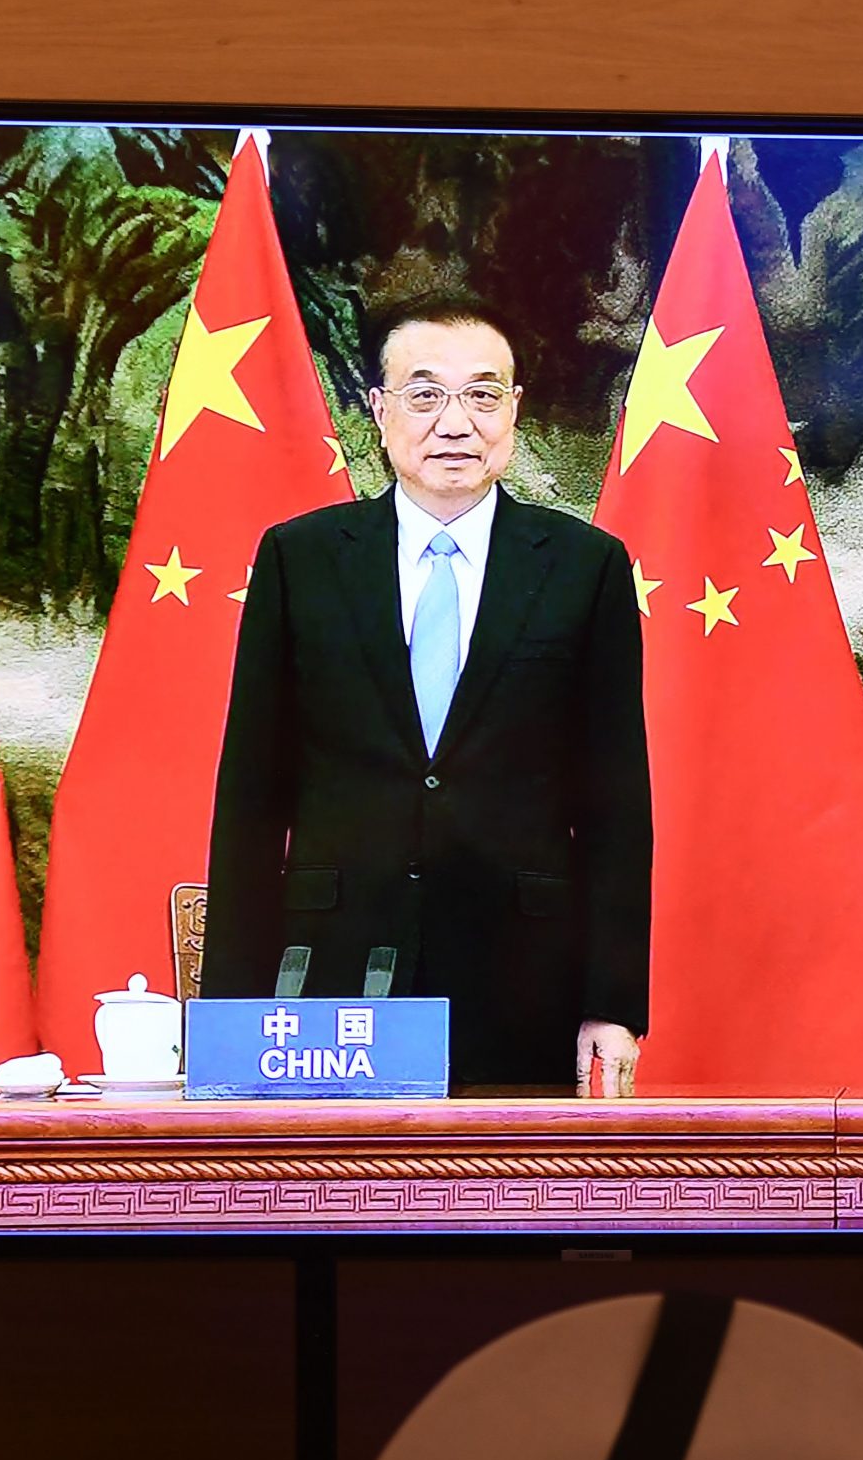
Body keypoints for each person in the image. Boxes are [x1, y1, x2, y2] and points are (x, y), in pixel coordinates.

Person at [202, 293, 652, 1095]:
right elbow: (251, 798)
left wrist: (611, 1002)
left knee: (509, 1179)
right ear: (380, 412)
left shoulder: (585, 567)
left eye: (482, 394)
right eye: (425, 394)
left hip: (522, 978)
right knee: (338, 1179)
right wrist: (231, 1013)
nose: (455, 422)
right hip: (331, 977)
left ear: (513, 411)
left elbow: (615, 805)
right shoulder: (301, 559)